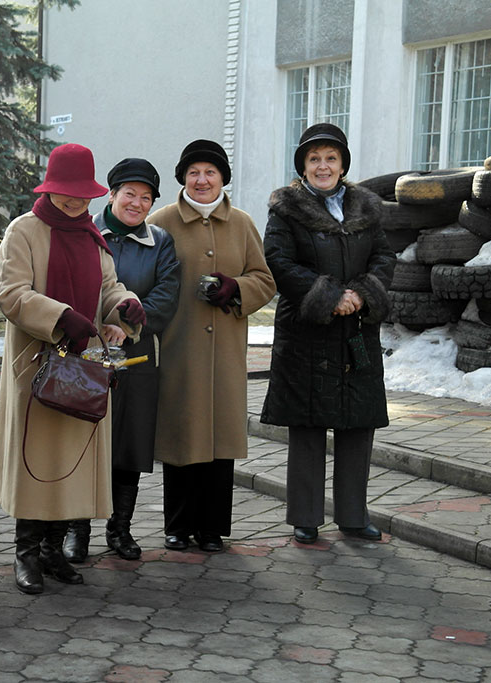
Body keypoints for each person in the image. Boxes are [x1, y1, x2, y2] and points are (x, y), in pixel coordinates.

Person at [0, 143, 144, 595]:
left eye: (82, 193)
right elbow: (10, 293)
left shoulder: (92, 236)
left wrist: (124, 310)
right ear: (51, 188)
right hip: (38, 369)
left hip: (84, 371)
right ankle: (26, 553)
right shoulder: (24, 231)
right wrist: (61, 317)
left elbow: (110, 288)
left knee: (71, 466)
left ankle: (54, 550)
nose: (75, 200)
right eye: (66, 192)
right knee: (37, 461)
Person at [261, 123, 395, 545]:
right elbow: (278, 261)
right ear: (303, 165)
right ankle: (306, 516)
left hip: (356, 330)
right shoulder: (286, 209)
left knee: (358, 422)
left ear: (343, 164)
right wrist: (328, 295)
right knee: (308, 423)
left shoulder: (367, 207)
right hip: (307, 331)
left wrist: (362, 293)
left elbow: (385, 256)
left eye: (330, 158)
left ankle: (354, 516)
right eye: (314, 158)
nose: (323, 166)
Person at [149, 139, 276, 553]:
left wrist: (236, 287)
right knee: (181, 436)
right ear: (183, 179)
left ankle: (212, 528)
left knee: (219, 441)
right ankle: (178, 525)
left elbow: (265, 278)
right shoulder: (161, 221)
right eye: (193, 173)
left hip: (224, 352)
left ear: (223, 178)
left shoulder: (240, 222)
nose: (202, 180)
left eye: (210, 172)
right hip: (178, 347)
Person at [63, 158, 180, 562]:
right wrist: (103, 324)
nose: (137, 203)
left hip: (138, 354)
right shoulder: (87, 231)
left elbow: (167, 294)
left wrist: (128, 325)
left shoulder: (161, 242)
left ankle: (121, 529)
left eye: (146, 197)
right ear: (112, 194)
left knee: (130, 444)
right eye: (130, 193)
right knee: (86, 442)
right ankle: (77, 531)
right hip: (89, 352)